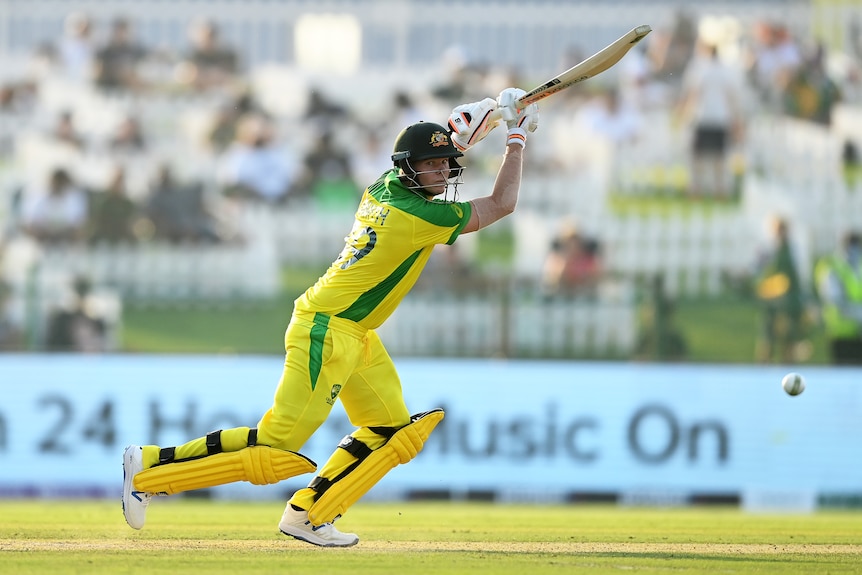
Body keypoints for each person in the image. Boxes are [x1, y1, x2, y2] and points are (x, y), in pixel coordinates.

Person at [122, 88, 539, 546]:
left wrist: (467, 128)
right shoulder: (416, 216)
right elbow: (502, 204)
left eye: (447, 166)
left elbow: (427, 156)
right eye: (434, 166)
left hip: (355, 333)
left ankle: (309, 514)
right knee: (274, 448)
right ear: (411, 168)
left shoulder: (383, 186)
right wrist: (515, 137)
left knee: (392, 433)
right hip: (328, 329)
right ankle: (149, 471)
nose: (443, 174)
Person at [754, 217, 808, 363]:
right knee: (767, 334)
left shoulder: (793, 248)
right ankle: (764, 365)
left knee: (789, 334)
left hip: (789, 298)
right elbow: (758, 269)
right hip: (771, 298)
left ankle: (787, 364)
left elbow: (798, 273)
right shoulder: (767, 248)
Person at [814, 231, 862, 365]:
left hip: (858, 333)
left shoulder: (859, 265)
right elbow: (834, 299)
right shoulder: (831, 266)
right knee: (843, 373)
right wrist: (858, 313)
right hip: (839, 333)